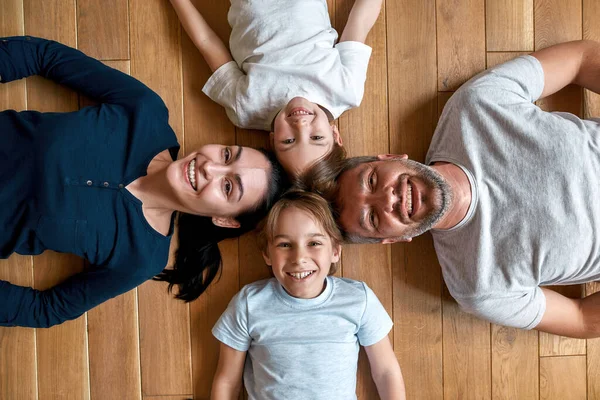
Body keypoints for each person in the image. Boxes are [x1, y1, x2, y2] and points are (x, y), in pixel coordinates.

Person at [0, 36, 288, 328]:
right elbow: (45, 56)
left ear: (225, 220)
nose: (209, 166)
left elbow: (47, 310)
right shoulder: (144, 111)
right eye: (227, 154)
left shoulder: (141, 258)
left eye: (228, 187)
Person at [324, 40, 600, 339]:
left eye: (373, 181)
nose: (388, 198)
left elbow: (581, 58)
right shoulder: (480, 288)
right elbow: (584, 320)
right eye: (373, 218)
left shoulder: (476, 104)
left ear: (390, 158)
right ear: (392, 239)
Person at [210, 190, 405, 399]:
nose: (299, 258)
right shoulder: (249, 304)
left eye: (314, 243)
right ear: (267, 254)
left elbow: (386, 372)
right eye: (285, 245)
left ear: (335, 251)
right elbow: (227, 381)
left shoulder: (358, 300)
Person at [168, 0, 382, 175]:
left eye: (289, 140)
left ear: (272, 140)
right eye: (316, 137)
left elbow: (206, 42)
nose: (301, 124)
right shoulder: (346, 90)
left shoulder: (246, 109)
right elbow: (360, 23)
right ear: (336, 135)